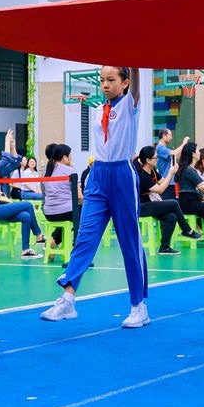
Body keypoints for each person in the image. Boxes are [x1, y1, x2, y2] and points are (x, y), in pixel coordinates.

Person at [38, 66, 152, 327]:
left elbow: (135, 83)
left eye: (111, 80)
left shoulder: (129, 105)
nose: (105, 85)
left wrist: (132, 57)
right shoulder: (99, 109)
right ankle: (67, 298)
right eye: (102, 80)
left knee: (129, 243)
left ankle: (138, 306)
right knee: (85, 237)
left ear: (125, 83)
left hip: (122, 175)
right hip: (98, 175)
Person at [0, 131, 44, 259]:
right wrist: (6, 141)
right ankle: (39, 236)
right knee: (28, 205)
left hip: (1, 207)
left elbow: (15, 161)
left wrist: (12, 145)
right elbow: (5, 159)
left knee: (25, 217)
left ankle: (25, 250)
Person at [136, 145, 202, 254]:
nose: (157, 160)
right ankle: (186, 229)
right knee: (173, 203)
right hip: (142, 206)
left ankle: (164, 247)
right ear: (147, 160)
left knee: (171, 217)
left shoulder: (152, 171)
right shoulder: (142, 175)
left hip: (152, 203)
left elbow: (162, 182)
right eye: (155, 158)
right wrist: (170, 174)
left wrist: (171, 174)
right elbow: (161, 190)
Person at [40, 144, 77, 246]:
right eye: (70, 155)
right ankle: (79, 247)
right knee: (85, 215)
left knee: (69, 217)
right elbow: (79, 196)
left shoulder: (45, 173)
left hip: (48, 213)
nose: (71, 158)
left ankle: (53, 241)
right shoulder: (70, 171)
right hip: (66, 211)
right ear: (64, 158)